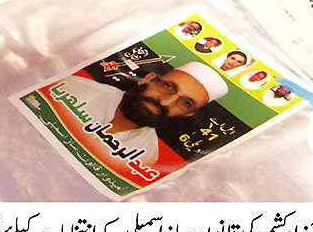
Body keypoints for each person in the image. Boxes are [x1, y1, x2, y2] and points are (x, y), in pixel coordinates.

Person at [58, 62, 227, 166]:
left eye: (186, 103)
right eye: (168, 87)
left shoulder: (145, 154)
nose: (165, 102)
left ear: (189, 114)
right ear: (149, 79)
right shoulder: (73, 88)